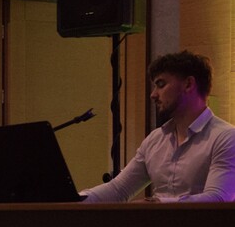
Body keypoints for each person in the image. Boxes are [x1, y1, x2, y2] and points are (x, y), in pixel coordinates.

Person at [81, 50, 235, 203]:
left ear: (188, 84)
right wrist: (76, 199)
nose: (153, 94)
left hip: (198, 221)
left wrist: (157, 203)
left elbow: (219, 198)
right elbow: (118, 189)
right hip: (155, 219)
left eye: (161, 84)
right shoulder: (155, 139)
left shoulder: (226, 137)